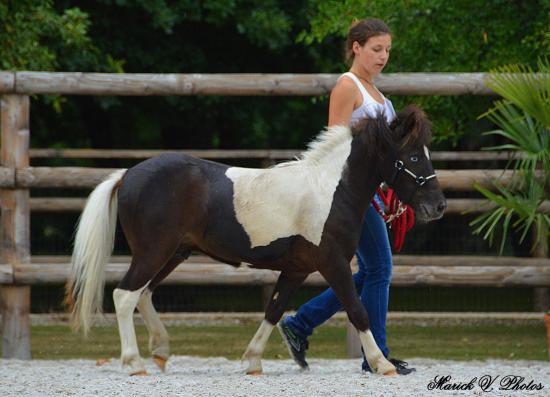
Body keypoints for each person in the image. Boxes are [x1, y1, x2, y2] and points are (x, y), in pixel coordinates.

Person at [278, 18, 415, 375]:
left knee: (370, 271)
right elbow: (334, 145)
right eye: (376, 49)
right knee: (380, 268)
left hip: (370, 195)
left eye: (387, 50)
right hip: (348, 196)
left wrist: (390, 190)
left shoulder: (381, 97)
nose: (383, 56)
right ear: (356, 47)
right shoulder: (347, 85)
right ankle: (377, 355)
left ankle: (300, 324)